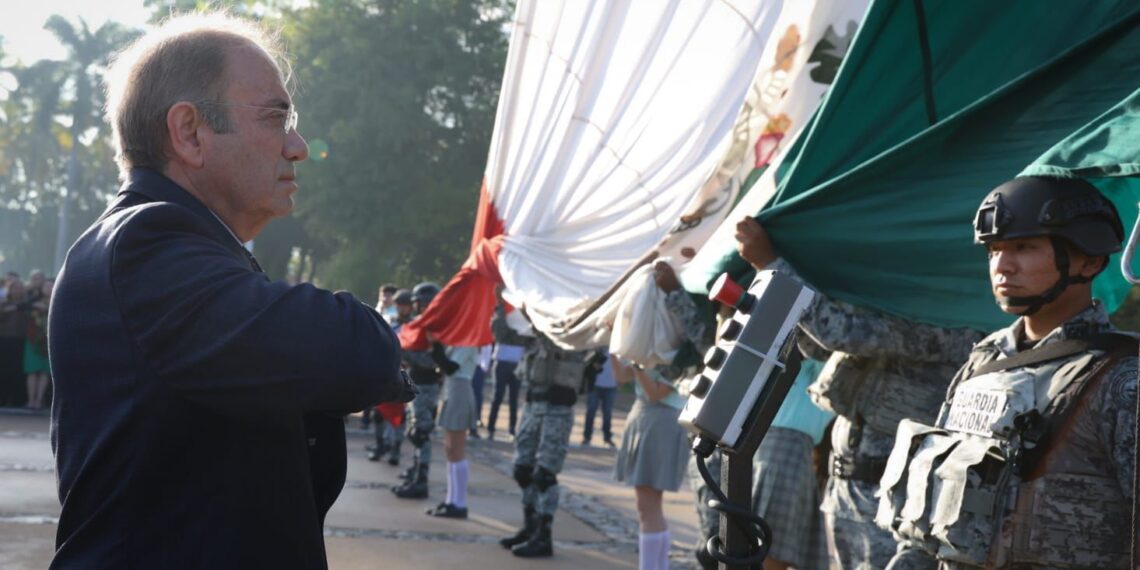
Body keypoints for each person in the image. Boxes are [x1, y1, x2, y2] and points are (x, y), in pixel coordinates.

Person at [47, 13, 415, 568]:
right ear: (189, 132)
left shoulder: (171, 247)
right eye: (276, 118)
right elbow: (353, 355)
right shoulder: (148, 244)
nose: (299, 147)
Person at [879, 177, 1137, 569]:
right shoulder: (983, 361)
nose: (1002, 265)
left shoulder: (1122, 378)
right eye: (994, 250)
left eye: (1024, 247)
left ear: (1090, 259)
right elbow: (928, 516)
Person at [735, 216, 983, 570]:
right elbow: (820, 348)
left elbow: (842, 332)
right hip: (848, 488)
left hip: (891, 500)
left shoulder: (946, 320)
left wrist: (772, 266)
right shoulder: (895, 307)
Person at [610, 261, 701, 570]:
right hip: (646, 418)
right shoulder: (654, 344)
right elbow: (621, 377)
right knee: (646, 506)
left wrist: (636, 360)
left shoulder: (671, 345)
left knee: (649, 506)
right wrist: (617, 342)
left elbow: (656, 392)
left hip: (659, 418)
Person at [498, 313, 589, 558]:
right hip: (532, 405)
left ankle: (544, 535)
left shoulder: (574, 331)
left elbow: (552, 339)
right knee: (522, 468)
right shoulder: (534, 325)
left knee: (544, 475)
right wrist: (500, 308)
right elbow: (504, 334)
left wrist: (532, 314)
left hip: (557, 409)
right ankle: (530, 527)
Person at [393, 281, 444, 499]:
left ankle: (421, 481)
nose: (418, 307)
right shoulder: (421, 324)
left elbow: (433, 360)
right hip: (417, 383)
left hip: (428, 385)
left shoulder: (438, 327)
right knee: (413, 432)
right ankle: (416, 473)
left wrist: (405, 354)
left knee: (421, 434)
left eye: (421, 303)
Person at [425, 337, 481, 518]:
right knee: (450, 449)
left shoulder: (468, 342)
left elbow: (451, 367)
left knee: (457, 449)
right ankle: (451, 500)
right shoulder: (458, 341)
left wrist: (435, 346)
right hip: (452, 389)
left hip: (460, 389)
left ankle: (460, 502)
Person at [487, 293, 528, 441]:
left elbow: (528, 337)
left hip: (517, 363)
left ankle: (512, 429)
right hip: (502, 362)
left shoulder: (525, 315)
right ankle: (491, 428)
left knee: (513, 399)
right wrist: (501, 310)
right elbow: (499, 333)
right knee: (497, 396)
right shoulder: (501, 314)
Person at [581, 347, 617, 448]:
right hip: (596, 385)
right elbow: (587, 361)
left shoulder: (618, 347)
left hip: (611, 385)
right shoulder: (597, 347)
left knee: (607, 413)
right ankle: (587, 437)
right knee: (591, 412)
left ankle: (607, 437)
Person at [24, 278, 52, 410]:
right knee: (32, 371)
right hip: (33, 339)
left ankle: (39, 400)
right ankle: (31, 401)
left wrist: (48, 308)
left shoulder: (58, 301)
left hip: (50, 341)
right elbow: (23, 306)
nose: (48, 288)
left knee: (45, 372)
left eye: (51, 286)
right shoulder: (33, 301)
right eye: (46, 286)